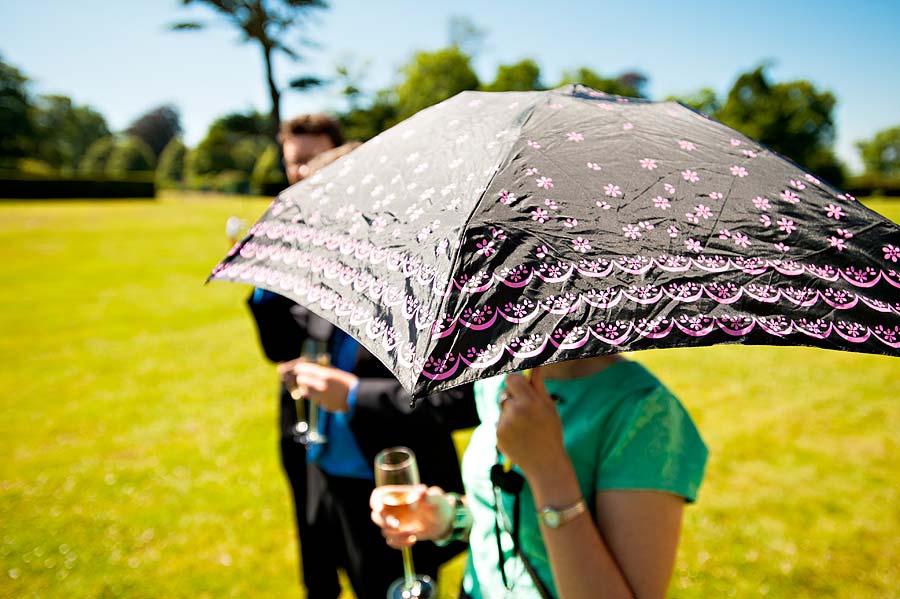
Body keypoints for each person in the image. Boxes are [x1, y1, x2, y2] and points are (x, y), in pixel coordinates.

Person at [248, 113, 478, 599]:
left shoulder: (430, 289)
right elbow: (291, 345)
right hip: (325, 473)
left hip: (395, 488)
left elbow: (461, 401)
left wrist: (354, 396)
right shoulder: (332, 278)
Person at [371, 355, 708, 599]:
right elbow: (513, 515)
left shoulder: (644, 410)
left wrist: (548, 469)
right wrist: (450, 516)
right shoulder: (497, 376)